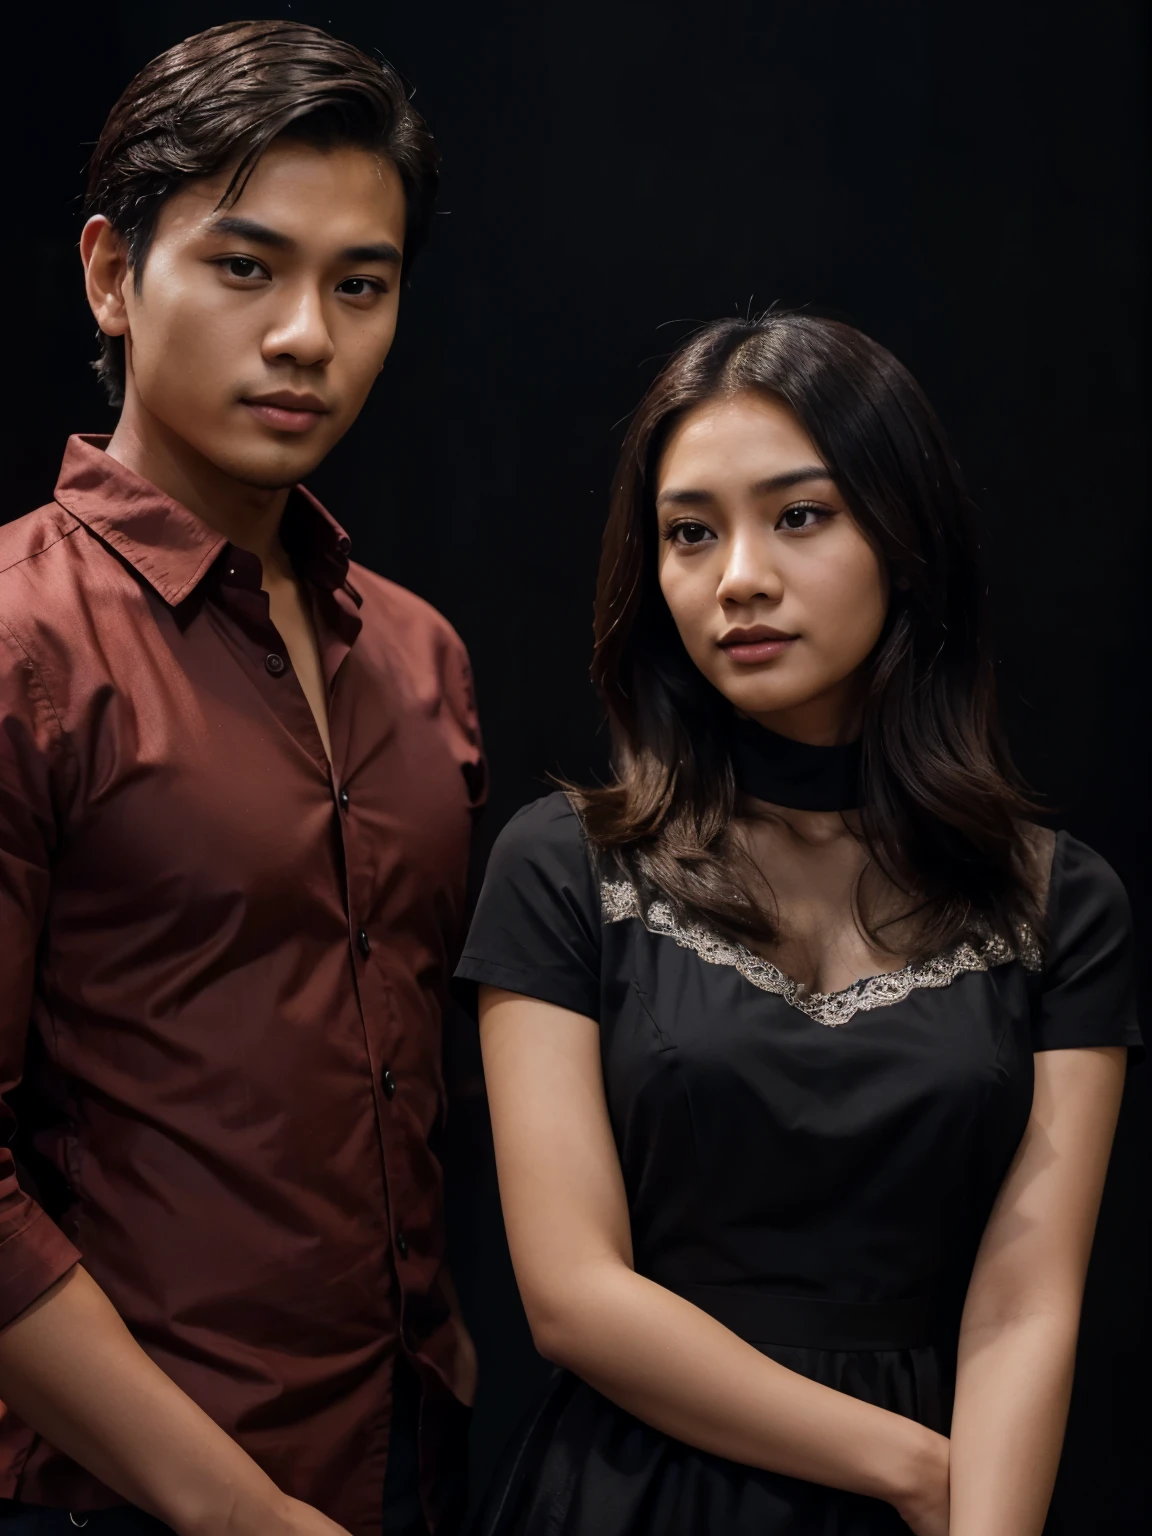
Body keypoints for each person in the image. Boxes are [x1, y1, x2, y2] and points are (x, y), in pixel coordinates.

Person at [455, 312, 1140, 1535]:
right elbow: (570, 1295)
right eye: (689, 533)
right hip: (641, 1495)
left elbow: (1027, 1303)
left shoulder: (1059, 902)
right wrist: (912, 1469)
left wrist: (977, 1516)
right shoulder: (565, 866)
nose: (738, 578)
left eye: (801, 516)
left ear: (906, 535)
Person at [0, 20, 483, 1536]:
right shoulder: (20, 642)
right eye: (244, 266)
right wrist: (238, 1514)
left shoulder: (419, 658)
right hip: (122, 1500)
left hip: (410, 1452)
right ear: (108, 276)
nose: (305, 337)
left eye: (362, 285)